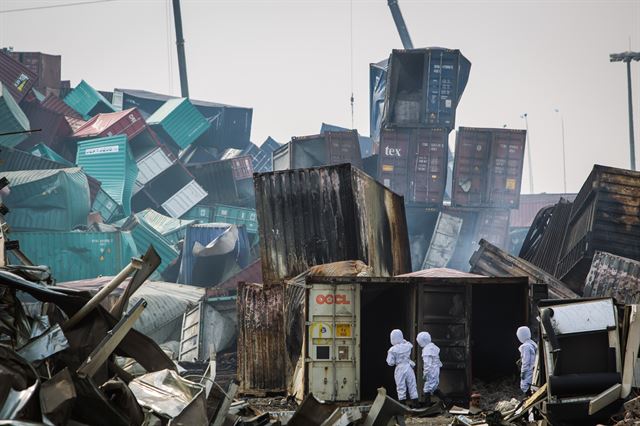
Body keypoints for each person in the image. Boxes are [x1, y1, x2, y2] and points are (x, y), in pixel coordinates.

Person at [386, 329, 418, 404]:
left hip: (399, 368)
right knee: (412, 385)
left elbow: (390, 362)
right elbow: (407, 343)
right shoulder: (407, 345)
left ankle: (402, 404)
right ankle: (416, 404)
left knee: (401, 386)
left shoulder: (392, 350)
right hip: (408, 367)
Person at [417, 331, 443, 404]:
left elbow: (427, 364)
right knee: (433, 388)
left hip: (431, 371)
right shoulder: (433, 347)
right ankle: (447, 400)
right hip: (436, 369)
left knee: (427, 388)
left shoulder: (427, 350)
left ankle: (427, 405)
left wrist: (425, 374)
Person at [516, 326, 537, 395]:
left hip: (529, 374)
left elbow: (526, 362)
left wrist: (523, 374)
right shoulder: (533, 344)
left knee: (528, 392)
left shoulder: (525, 346)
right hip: (535, 373)